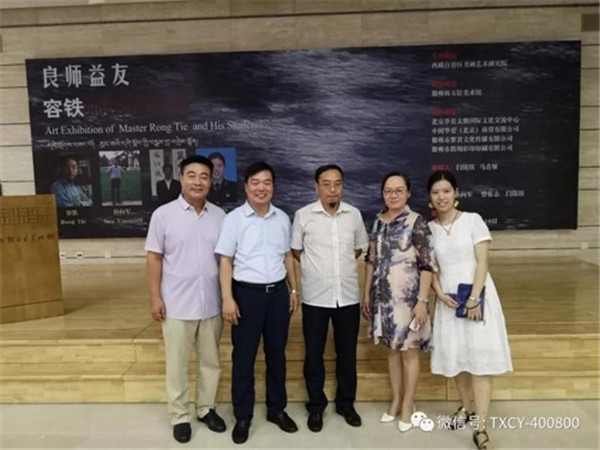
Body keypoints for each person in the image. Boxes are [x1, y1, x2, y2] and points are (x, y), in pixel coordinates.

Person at [215, 161, 300, 445]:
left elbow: (287, 256)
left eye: (267, 182)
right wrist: (227, 298)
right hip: (246, 296)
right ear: (246, 186)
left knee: (277, 355)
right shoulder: (234, 220)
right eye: (255, 182)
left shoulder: (282, 218)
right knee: (244, 358)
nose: (261, 188)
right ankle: (243, 416)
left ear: (273, 186)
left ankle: (277, 410)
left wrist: (293, 289)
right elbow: (225, 261)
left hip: (277, 295)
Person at [427, 170, 512, 450]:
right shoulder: (429, 229)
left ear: (456, 193)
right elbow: (431, 268)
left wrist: (474, 298)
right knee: (458, 359)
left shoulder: (473, 220)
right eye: (436, 192)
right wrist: (439, 294)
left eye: (446, 191)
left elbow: (482, 261)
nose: (441, 197)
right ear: (430, 197)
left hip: (478, 297)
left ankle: (481, 428)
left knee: (479, 363)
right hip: (449, 301)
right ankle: (466, 407)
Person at [145, 155, 227, 444]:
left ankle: (206, 409)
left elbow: (225, 261)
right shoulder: (163, 215)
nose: (198, 181)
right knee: (177, 365)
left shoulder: (220, 216)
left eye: (204, 176)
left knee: (210, 362)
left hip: (211, 305)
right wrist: (155, 297)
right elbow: (154, 258)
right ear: (182, 179)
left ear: (211, 181)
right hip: (176, 305)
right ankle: (180, 416)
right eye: (192, 175)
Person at [291, 164, 369, 432]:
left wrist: (338, 267)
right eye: (326, 184)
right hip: (315, 297)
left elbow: (358, 249)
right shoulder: (303, 216)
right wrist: (318, 269)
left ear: (342, 186)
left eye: (337, 184)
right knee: (314, 355)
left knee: (347, 354)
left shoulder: (353, 215)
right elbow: (296, 251)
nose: (332, 189)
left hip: (347, 296)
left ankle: (346, 404)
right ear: (317, 187)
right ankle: (316, 407)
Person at [362, 172, 435, 433]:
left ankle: (408, 404)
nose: (393, 195)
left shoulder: (417, 222)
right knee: (392, 350)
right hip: (383, 300)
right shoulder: (377, 222)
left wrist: (422, 301)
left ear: (408, 193)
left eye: (399, 190)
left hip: (408, 301)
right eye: (388, 191)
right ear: (383, 194)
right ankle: (395, 400)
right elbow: (371, 261)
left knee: (408, 351)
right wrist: (366, 293)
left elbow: (427, 264)